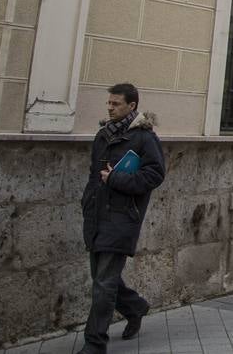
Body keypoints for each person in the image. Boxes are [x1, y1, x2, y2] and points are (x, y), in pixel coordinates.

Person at [78, 83, 166, 354]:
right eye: (109, 103)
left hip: (122, 218)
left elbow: (155, 175)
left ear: (132, 106)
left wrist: (116, 178)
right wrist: (87, 202)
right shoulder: (103, 135)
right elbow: (95, 176)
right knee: (102, 278)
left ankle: (95, 343)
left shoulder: (144, 138)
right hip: (96, 215)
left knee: (103, 284)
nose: (110, 107)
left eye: (116, 104)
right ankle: (134, 307)